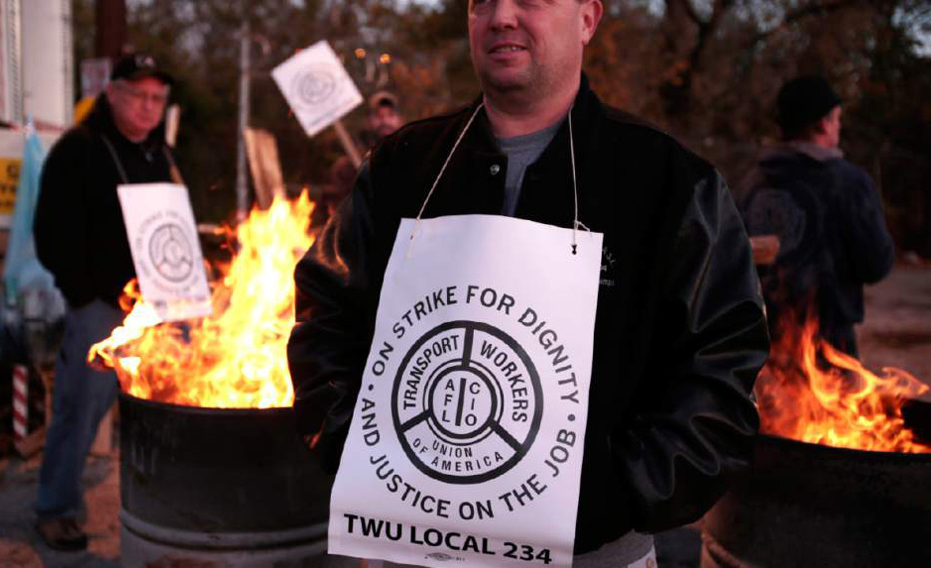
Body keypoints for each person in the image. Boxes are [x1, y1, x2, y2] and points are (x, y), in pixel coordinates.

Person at [288, 1, 768, 566]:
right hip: (411, 545)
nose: (502, 17)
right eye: (482, 1)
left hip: (593, 554)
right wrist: (356, 446)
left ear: (588, 18)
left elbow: (721, 371)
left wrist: (616, 491)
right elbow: (325, 318)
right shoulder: (402, 168)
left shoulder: (668, 183)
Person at [32, 53, 177, 551]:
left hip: (156, 306)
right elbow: (48, 230)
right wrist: (82, 293)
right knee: (80, 408)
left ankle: (168, 501)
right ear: (112, 93)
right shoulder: (79, 149)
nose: (147, 106)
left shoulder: (160, 153)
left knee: (172, 404)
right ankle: (56, 509)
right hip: (99, 307)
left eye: (157, 98)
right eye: (137, 94)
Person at [737, 75, 895, 356]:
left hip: (765, 346)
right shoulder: (848, 182)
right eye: (837, 119)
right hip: (828, 348)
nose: (838, 126)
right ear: (822, 122)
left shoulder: (751, 181)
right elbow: (876, 264)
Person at [319, 92, 406, 227]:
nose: (385, 121)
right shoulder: (346, 167)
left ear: (400, 119)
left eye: (390, 115)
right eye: (379, 116)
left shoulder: (415, 158)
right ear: (368, 122)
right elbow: (334, 212)